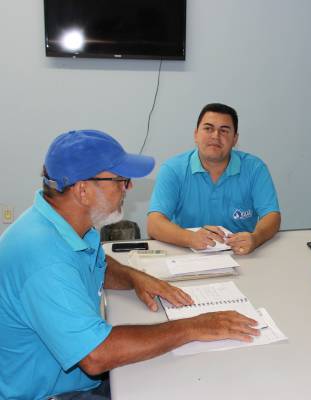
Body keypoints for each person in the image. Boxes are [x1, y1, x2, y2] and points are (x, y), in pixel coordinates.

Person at [0, 130, 260, 400]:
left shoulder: (67, 223)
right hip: (49, 394)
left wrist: (135, 278)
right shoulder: (44, 259)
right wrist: (194, 327)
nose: (129, 187)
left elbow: (95, 264)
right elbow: (97, 355)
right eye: (121, 180)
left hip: (74, 377)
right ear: (83, 190)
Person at [147, 103, 281, 255]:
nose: (215, 136)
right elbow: (154, 223)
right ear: (196, 134)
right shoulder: (173, 170)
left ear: (235, 139)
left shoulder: (255, 168)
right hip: (187, 254)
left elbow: (272, 216)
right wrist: (190, 238)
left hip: (242, 254)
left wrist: (256, 238)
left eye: (224, 130)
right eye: (208, 128)